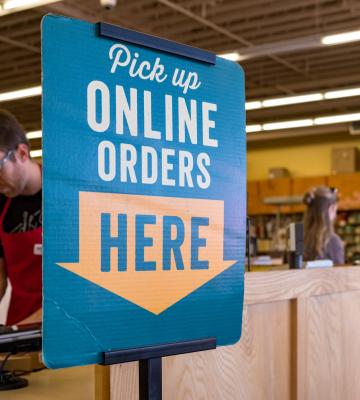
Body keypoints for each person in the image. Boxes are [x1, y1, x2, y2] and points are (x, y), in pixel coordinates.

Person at [0, 110, 42, 325]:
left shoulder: (67, 196)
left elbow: (76, 288)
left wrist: (22, 328)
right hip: (17, 332)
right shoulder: (1, 202)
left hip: (62, 334)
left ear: (22, 153)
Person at [303, 186, 344, 265]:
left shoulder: (295, 241)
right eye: (335, 211)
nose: (335, 215)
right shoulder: (334, 242)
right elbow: (340, 276)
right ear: (331, 209)